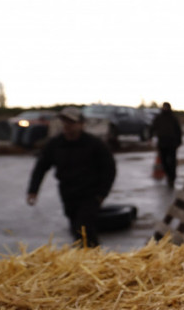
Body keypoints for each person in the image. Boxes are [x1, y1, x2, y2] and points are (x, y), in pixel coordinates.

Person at [26, 106, 117, 247]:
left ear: (81, 124)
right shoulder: (55, 144)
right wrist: (33, 190)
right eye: (65, 122)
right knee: (75, 228)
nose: (67, 125)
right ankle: (81, 261)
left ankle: (93, 261)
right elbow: (41, 167)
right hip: (67, 193)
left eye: (71, 122)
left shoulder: (94, 144)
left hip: (90, 194)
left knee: (85, 228)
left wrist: (102, 193)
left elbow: (109, 169)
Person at [150, 102, 182, 187]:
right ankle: (168, 175)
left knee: (172, 162)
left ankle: (172, 177)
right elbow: (152, 128)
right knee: (164, 162)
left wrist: (179, 141)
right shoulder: (159, 118)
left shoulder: (173, 118)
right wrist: (150, 137)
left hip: (172, 144)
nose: (165, 108)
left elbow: (178, 131)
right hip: (162, 143)